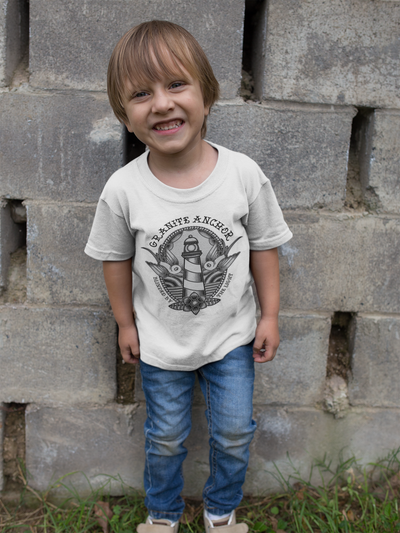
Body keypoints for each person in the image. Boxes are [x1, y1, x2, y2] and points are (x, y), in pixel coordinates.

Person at [85, 20, 292, 533]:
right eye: (141, 94)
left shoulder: (242, 174)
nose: (161, 104)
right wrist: (125, 323)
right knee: (165, 437)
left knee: (234, 433)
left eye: (176, 84)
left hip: (232, 339)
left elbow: (265, 246)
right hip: (160, 344)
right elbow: (115, 260)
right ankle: (162, 515)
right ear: (124, 115)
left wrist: (269, 315)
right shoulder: (123, 189)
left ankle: (221, 513)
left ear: (207, 94)